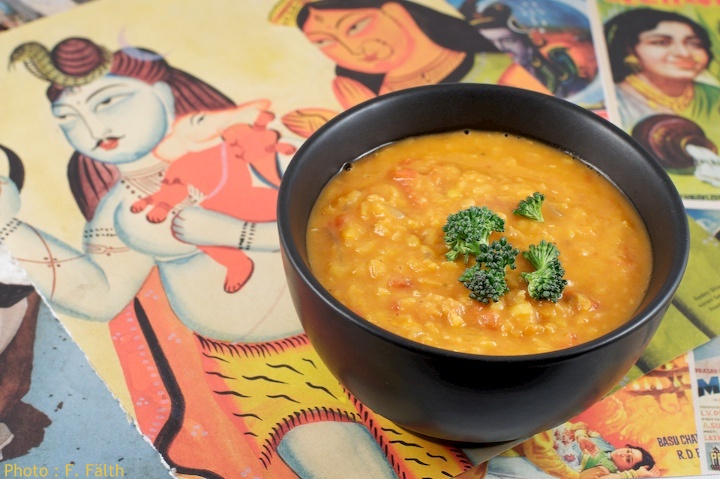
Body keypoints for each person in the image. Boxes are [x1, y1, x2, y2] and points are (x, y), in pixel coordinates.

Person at [2, 37, 472, 478]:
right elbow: (101, 295)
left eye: (108, 101)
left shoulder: (254, 140)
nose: (90, 128)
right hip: (261, 367)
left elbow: (329, 217)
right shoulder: (120, 207)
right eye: (68, 118)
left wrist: (235, 233)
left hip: (375, 338)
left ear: (165, 91)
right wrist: (11, 226)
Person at [270, 0, 550, 138]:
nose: (353, 49)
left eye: (355, 26)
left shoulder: (498, 68)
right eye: (325, 42)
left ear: (396, 11)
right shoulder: (360, 94)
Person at [604, 8, 720, 140]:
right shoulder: (613, 98)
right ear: (629, 50)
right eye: (661, 42)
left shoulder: (715, 96)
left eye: (694, 44)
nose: (684, 53)